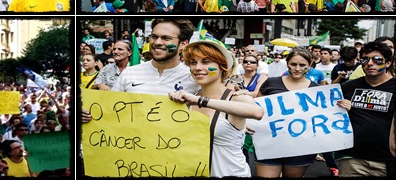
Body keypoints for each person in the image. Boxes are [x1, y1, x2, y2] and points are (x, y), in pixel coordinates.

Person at [169, 40, 263, 177]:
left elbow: (257, 112)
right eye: (193, 62)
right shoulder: (188, 100)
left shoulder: (236, 97)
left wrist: (199, 100)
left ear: (222, 67)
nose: (197, 67)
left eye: (206, 62)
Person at [335, 41, 396, 177]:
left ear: (388, 63)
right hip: (351, 159)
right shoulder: (347, 87)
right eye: (365, 59)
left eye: (377, 60)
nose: (369, 63)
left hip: (387, 161)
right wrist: (343, 110)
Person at [255, 48, 318, 178]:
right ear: (287, 63)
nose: (297, 68)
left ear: (310, 66)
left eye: (302, 65)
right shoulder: (271, 83)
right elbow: (256, 107)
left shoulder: (315, 89)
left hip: (300, 147)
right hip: (269, 143)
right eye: (293, 64)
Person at [110, 19, 199, 94]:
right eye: (154, 37)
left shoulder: (193, 78)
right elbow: (111, 109)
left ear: (183, 44)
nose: (157, 42)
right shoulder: (129, 73)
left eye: (166, 38)